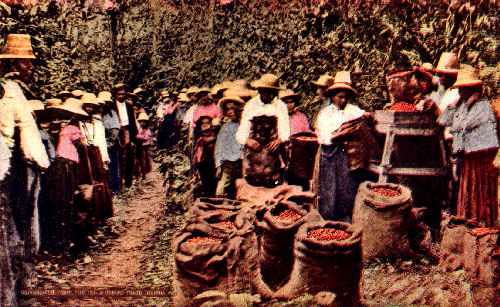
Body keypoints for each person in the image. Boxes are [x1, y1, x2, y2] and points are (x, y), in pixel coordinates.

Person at [0, 34, 50, 301]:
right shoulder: (7, 91)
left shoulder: (15, 89)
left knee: (26, 234)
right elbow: (8, 135)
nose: (31, 68)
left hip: (26, 166)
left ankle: (24, 288)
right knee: (20, 236)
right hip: (16, 169)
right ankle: (19, 292)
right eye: (27, 63)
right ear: (14, 62)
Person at [438, 68, 499, 226]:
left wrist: (455, 125)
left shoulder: (482, 107)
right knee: (468, 190)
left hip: (479, 155)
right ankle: (470, 222)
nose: (459, 92)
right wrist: (453, 105)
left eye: (462, 89)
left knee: (479, 189)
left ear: (471, 89)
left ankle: (483, 224)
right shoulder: (463, 106)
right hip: (467, 155)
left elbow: (462, 126)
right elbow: (442, 121)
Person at [315, 71, 368, 222]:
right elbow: (322, 136)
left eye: (345, 97)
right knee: (329, 189)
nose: (343, 100)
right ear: (333, 97)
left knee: (347, 187)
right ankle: (327, 220)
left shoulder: (353, 110)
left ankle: (347, 221)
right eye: (339, 97)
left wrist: (367, 117)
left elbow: (363, 118)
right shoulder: (325, 113)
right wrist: (335, 136)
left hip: (347, 154)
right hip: (329, 154)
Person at [236, 73, 290, 150]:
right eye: (267, 92)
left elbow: (285, 128)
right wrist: (247, 140)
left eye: (273, 92)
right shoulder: (251, 105)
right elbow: (243, 128)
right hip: (254, 146)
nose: (270, 95)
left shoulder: (281, 105)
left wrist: (280, 140)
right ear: (260, 90)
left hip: (273, 146)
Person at [214, 96, 245, 198]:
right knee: (221, 189)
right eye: (227, 109)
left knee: (242, 187)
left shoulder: (246, 125)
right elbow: (219, 146)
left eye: (233, 108)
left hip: (242, 161)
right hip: (228, 162)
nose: (231, 112)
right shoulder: (226, 127)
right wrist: (219, 164)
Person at [112, 84, 138, 188]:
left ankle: (128, 183)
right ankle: (119, 183)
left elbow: (133, 122)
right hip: (118, 131)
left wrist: (133, 137)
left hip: (127, 131)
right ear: (115, 95)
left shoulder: (129, 106)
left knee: (129, 157)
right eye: (119, 94)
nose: (121, 96)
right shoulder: (112, 106)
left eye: (123, 94)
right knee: (118, 157)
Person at [102, 91, 122, 192]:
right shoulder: (100, 114)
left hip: (112, 143)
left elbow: (116, 128)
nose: (106, 104)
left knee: (114, 166)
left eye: (107, 102)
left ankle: (115, 187)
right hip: (104, 144)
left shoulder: (112, 113)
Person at [193, 115, 218, 196]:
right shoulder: (198, 134)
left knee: (212, 178)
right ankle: (206, 194)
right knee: (204, 178)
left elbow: (211, 139)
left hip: (211, 159)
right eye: (203, 123)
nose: (205, 125)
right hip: (201, 160)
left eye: (207, 123)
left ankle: (212, 195)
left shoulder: (214, 133)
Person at [135, 112, 152, 180]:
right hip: (141, 145)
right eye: (140, 121)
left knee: (143, 160)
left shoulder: (147, 130)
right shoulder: (142, 129)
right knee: (140, 160)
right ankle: (140, 173)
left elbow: (147, 137)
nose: (141, 123)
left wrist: (139, 137)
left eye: (143, 122)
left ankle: (144, 174)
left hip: (144, 146)